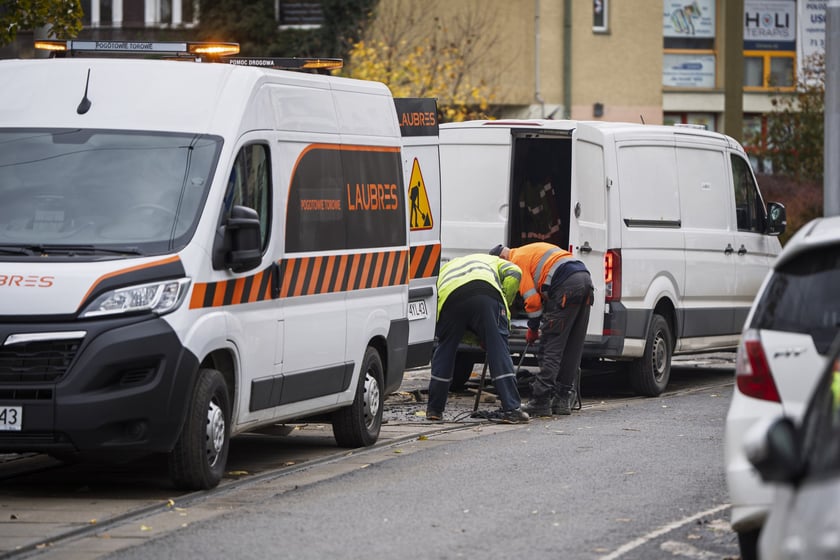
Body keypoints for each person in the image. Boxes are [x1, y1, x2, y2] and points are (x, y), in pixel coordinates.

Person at [490, 242, 593, 417]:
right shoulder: (527, 251)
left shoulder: (516, 262)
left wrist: (533, 329)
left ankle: (541, 400)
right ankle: (562, 398)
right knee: (572, 346)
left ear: (502, 260)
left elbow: (533, 302)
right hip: (584, 280)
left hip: (566, 285)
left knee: (550, 345)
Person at [427, 253, 530, 424]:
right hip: (486, 294)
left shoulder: (447, 267)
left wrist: (476, 337)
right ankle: (512, 409)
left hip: (450, 299)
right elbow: (515, 273)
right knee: (498, 350)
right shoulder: (496, 261)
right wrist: (505, 301)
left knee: (445, 350)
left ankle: (434, 410)